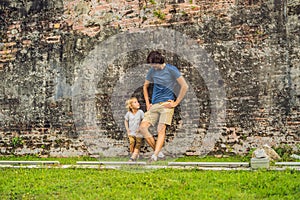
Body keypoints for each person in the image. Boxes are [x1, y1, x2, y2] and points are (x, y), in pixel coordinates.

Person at [139, 51, 189, 163]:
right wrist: (148, 103)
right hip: (154, 104)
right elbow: (145, 86)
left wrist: (176, 103)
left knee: (160, 130)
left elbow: (184, 86)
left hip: (167, 104)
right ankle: (159, 152)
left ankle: (154, 156)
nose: (151, 67)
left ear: (158, 61)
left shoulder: (172, 70)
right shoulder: (152, 71)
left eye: (153, 64)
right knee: (142, 128)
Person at [124, 97, 144, 161]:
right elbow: (126, 121)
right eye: (135, 102)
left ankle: (135, 155)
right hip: (131, 132)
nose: (138, 103)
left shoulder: (140, 112)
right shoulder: (129, 113)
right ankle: (132, 153)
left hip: (139, 132)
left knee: (138, 143)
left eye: (137, 102)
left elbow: (144, 120)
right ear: (131, 106)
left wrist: (140, 128)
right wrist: (127, 129)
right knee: (132, 142)